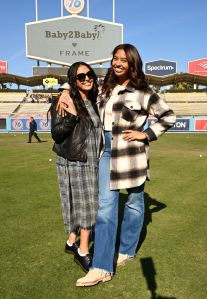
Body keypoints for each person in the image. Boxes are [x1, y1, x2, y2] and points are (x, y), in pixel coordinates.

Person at [59, 44, 176, 286]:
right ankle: (101, 267)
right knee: (105, 209)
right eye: (115, 58)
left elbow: (169, 116)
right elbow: (80, 80)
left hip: (132, 155)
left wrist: (146, 134)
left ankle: (127, 249)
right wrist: (63, 91)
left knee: (134, 204)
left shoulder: (143, 92)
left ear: (132, 64)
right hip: (106, 152)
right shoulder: (105, 87)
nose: (117, 63)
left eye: (123, 59)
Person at [49, 62, 102, 273]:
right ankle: (82, 251)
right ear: (74, 80)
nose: (87, 78)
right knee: (87, 206)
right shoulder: (67, 100)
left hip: (89, 162)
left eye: (90, 74)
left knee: (80, 205)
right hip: (76, 161)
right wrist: (71, 116)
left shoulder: (94, 100)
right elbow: (57, 133)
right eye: (81, 77)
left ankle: (71, 241)